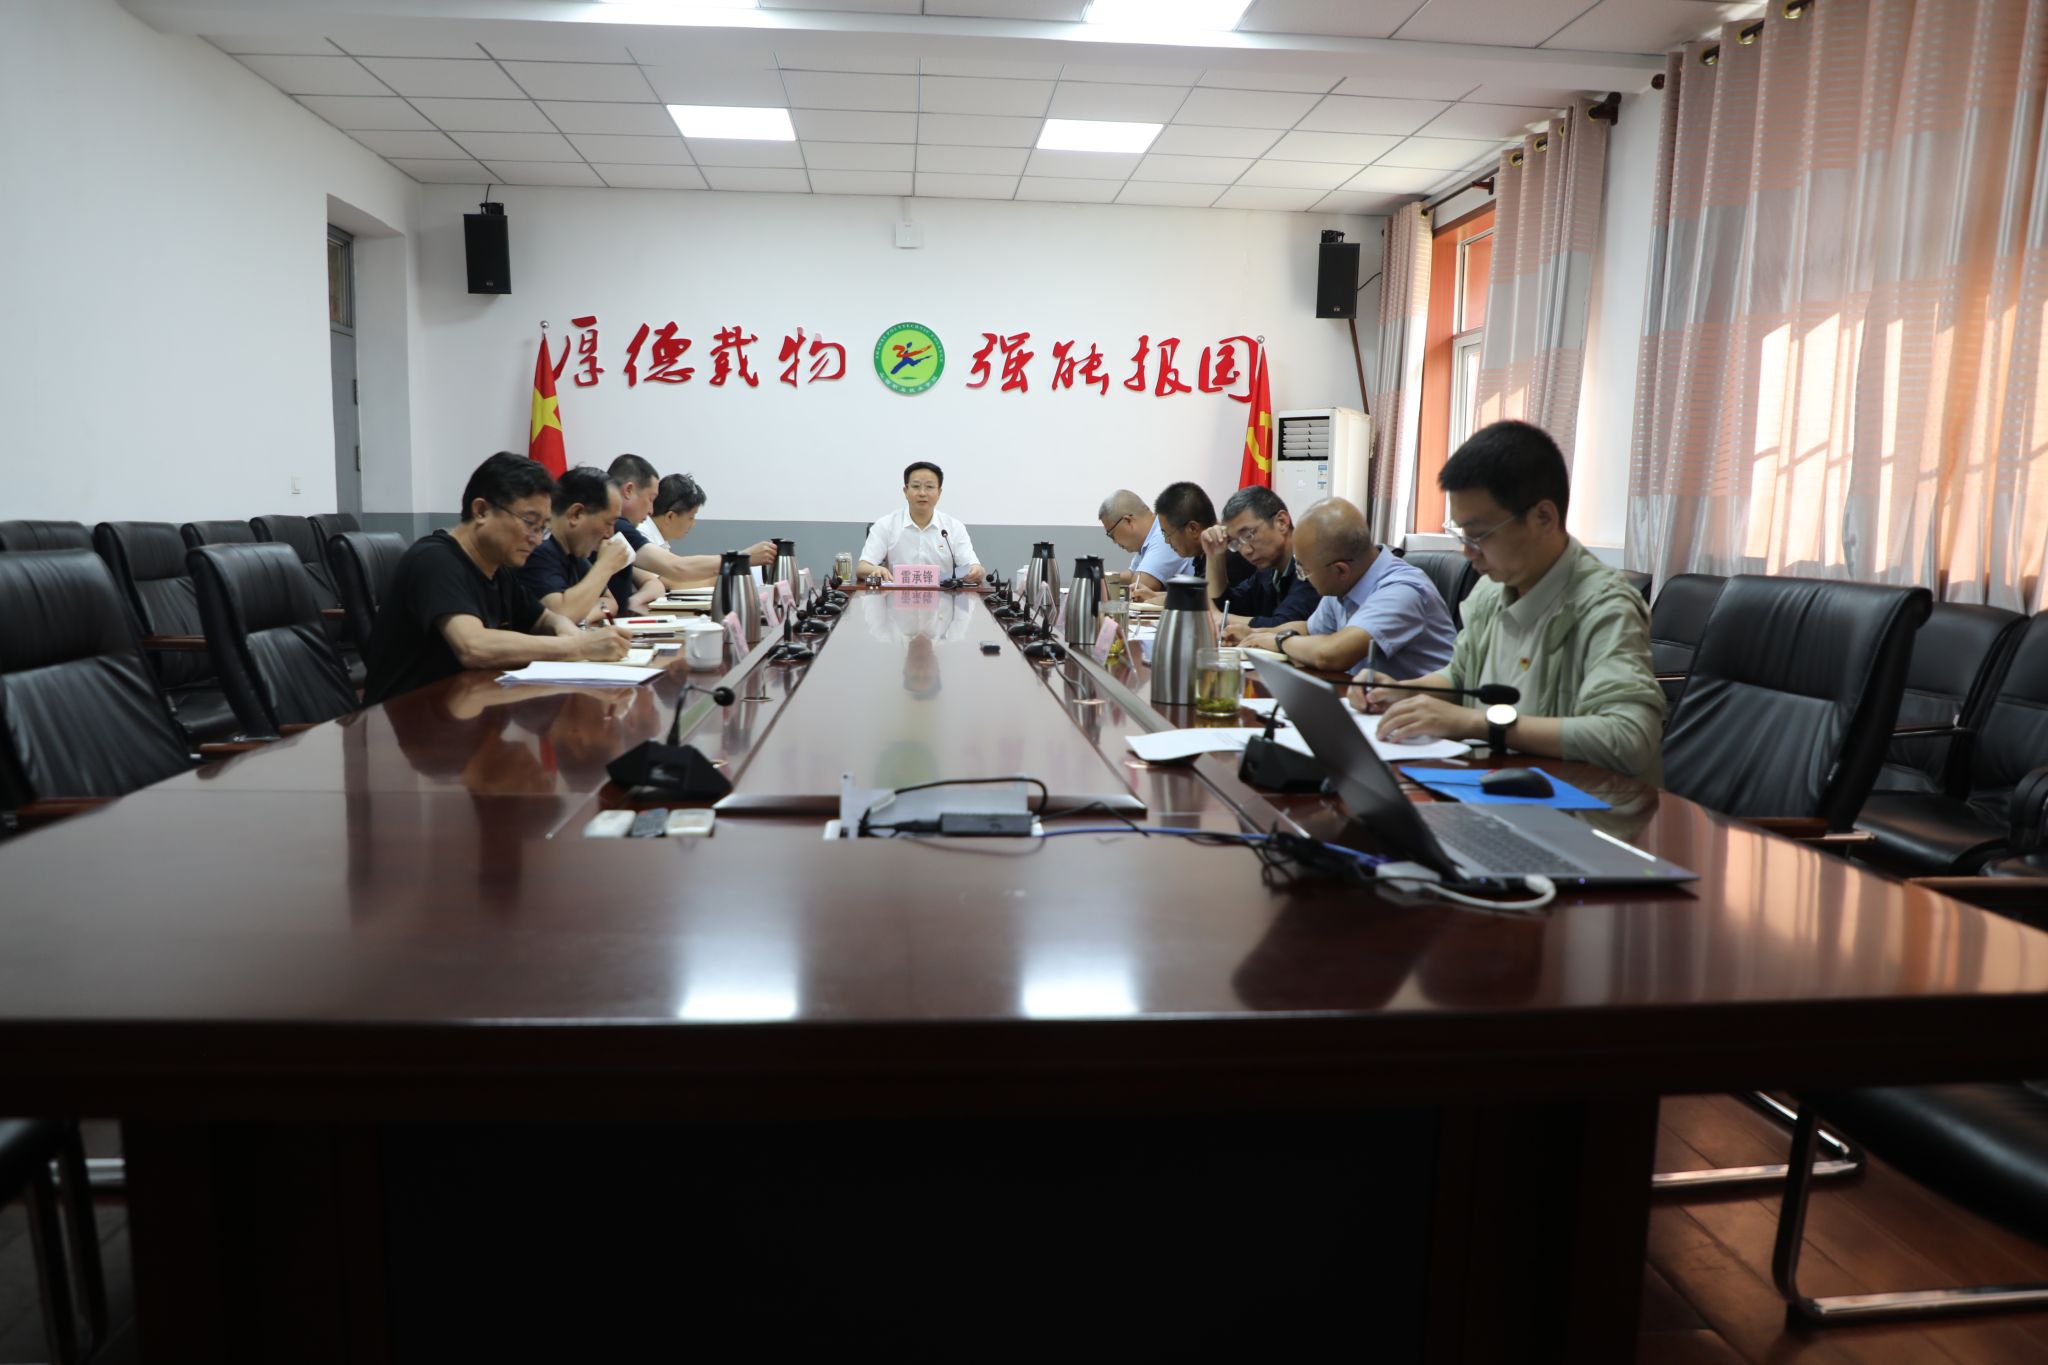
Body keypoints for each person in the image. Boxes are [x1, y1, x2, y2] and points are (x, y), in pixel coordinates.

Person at [1363, 420, 1667, 783]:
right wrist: (1403, 694)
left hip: (1580, 804)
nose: (1468, 553)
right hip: (1493, 787)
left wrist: (1479, 723)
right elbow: (1461, 676)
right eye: (1462, 536)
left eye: (1479, 536)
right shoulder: (1491, 590)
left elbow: (1629, 736)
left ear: (1543, 518)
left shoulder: (1605, 606)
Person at [362, 452, 630, 705]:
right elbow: (473, 645)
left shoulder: (497, 571)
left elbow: (546, 618)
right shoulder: (434, 560)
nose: (537, 540)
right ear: (481, 511)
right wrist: (577, 646)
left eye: (542, 528)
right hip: (406, 719)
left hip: (464, 708)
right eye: (529, 522)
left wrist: (567, 630)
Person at [1236, 497, 1455, 678]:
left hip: (1423, 712)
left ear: (1340, 570)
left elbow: (1332, 654)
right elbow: (1311, 629)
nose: (1302, 577)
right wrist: (1254, 634)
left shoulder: (1402, 591)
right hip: (1372, 703)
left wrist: (1280, 641)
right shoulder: (1346, 582)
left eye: (1304, 570)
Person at [609, 453, 775, 591]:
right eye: (650, 499)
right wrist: (742, 558)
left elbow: (661, 580)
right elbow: (677, 569)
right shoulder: (630, 529)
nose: (651, 510)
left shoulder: (627, 530)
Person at [516, 466, 654, 623]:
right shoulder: (537, 548)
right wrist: (605, 566)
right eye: (608, 523)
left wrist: (583, 618)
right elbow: (562, 615)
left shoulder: (573, 551)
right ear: (576, 514)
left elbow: (609, 602)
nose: (609, 534)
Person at [1201, 486, 1323, 640]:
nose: (1245, 550)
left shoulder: (1312, 565)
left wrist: (1221, 618)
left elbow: (1286, 626)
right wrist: (1214, 554)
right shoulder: (1268, 571)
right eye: (1236, 543)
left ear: (1281, 522)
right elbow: (1227, 606)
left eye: (1248, 535)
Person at [858, 460, 984, 583]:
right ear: (906, 491)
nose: (922, 493)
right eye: (916, 486)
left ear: (939, 492)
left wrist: (976, 571)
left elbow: (974, 567)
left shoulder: (954, 527)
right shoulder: (885, 525)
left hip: (944, 595)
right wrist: (875, 569)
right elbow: (862, 568)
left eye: (929, 487)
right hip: (895, 594)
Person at [1142, 481, 1250, 604]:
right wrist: (1153, 595)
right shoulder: (1202, 551)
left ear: (1193, 529)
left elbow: (1205, 601)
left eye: (1166, 534)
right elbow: (1195, 592)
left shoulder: (1227, 550)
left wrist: (1151, 601)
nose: (1167, 541)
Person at [1097, 488, 1190, 592]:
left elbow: (1140, 585)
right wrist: (1101, 577)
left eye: (1111, 534)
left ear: (1128, 521)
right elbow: (1132, 574)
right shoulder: (1147, 539)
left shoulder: (1163, 534)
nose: (1114, 541)